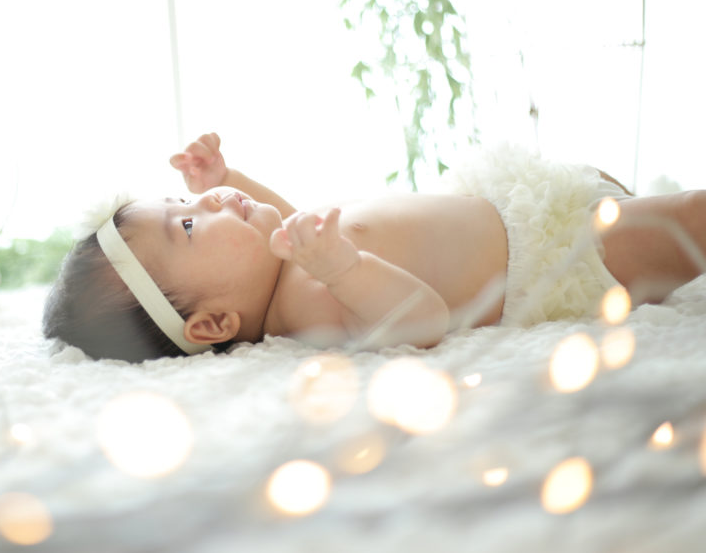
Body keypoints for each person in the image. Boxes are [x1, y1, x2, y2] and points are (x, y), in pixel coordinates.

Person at [43, 133, 706, 362]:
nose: (206, 203)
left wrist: (230, 178)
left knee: (651, 207)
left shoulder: (293, 262)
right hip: (559, 258)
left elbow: (291, 220)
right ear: (213, 323)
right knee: (689, 220)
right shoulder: (310, 308)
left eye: (182, 200)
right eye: (186, 227)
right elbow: (424, 320)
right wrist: (346, 266)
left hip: (522, 203)